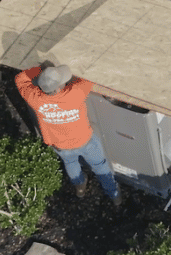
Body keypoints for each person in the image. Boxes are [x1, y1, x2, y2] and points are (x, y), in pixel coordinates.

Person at [15, 62, 121, 206]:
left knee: (70, 163)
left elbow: (20, 78)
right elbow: (89, 76)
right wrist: (45, 69)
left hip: (60, 146)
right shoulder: (75, 93)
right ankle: (114, 194)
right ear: (59, 87)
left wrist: (41, 72)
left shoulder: (35, 99)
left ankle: (80, 188)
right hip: (84, 142)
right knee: (100, 166)